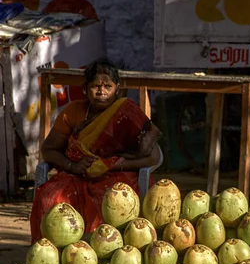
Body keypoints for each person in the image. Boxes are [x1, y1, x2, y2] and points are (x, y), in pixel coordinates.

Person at [30, 58, 162, 244]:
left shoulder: (127, 113)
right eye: (95, 86)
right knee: (50, 198)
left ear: (117, 87)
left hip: (118, 174)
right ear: (85, 89)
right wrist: (73, 166)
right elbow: (49, 150)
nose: (101, 91)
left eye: (107, 86)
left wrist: (113, 165)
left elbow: (153, 157)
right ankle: (53, 256)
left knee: (113, 203)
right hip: (78, 174)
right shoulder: (73, 112)